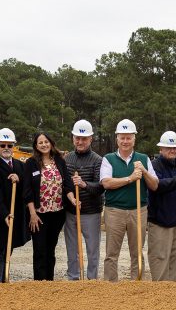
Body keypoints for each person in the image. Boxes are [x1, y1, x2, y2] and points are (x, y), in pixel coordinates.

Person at [100, 119, 159, 281]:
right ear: (117, 139)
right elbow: (106, 183)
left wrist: (144, 172)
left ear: (134, 139)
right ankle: (111, 287)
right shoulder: (108, 159)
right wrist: (131, 178)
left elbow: (154, 185)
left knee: (137, 252)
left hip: (138, 210)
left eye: (129, 138)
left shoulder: (144, 159)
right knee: (111, 253)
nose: (125, 141)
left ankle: (136, 286)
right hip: (114, 211)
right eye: (122, 138)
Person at [24, 132, 75, 280]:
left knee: (51, 249)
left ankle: (49, 283)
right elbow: (27, 191)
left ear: (51, 143)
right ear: (36, 146)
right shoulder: (31, 163)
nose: (44, 145)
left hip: (57, 214)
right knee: (40, 250)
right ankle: (40, 284)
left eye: (46, 142)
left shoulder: (59, 160)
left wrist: (72, 199)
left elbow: (67, 184)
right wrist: (33, 214)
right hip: (38, 215)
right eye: (40, 142)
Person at [0, 128, 29, 282]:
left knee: (8, 250)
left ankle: (4, 280)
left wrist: (19, 179)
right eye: (3, 145)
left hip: (14, 216)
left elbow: (27, 188)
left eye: (10, 145)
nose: (6, 149)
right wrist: (4, 214)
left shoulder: (20, 166)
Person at [147, 131, 176, 281]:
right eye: (168, 148)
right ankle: (160, 290)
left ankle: (172, 290)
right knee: (159, 256)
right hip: (160, 220)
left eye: (175, 148)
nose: (172, 150)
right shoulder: (154, 166)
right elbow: (158, 186)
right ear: (161, 149)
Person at [63, 119, 105, 280]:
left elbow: (100, 187)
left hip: (91, 212)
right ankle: (74, 278)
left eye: (84, 139)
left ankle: (91, 280)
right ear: (73, 138)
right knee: (72, 248)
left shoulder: (97, 160)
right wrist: (72, 198)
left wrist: (83, 184)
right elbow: (65, 185)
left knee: (92, 249)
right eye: (77, 138)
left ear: (90, 139)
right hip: (71, 211)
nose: (80, 142)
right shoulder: (67, 159)